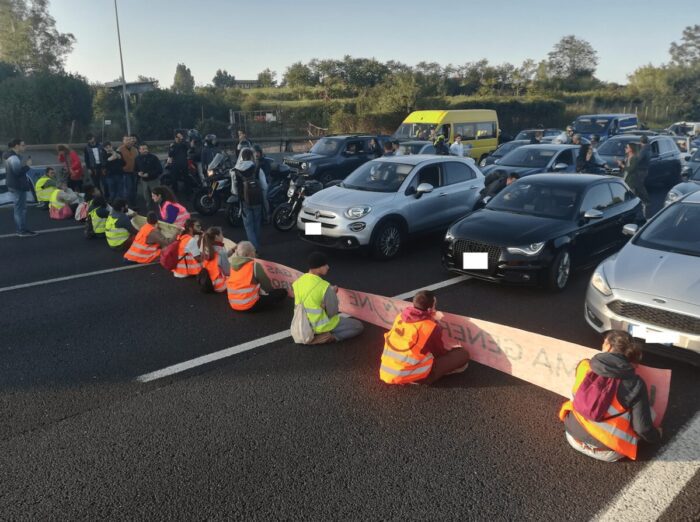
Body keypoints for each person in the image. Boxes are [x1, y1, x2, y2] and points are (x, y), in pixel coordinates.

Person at [559, 330, 662, 462]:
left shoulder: (584, 366)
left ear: (607, 346)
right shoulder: (635, 383)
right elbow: (642, 428)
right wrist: (657, 435)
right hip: (608, 452)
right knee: (649, 413)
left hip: (573, 437)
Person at [380, 290, 470, 385]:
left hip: (387, 368)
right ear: (429, 310)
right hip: (412, 374)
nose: (435, 307)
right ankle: (418, 377)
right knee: (462, 354)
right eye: (434, 305)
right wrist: (436, 324)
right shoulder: (430, 327)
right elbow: (439, 353)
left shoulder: (400, 317)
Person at [291, 251, 364, 345]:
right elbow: (332, 312)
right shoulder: (324, 287)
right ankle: (330, 337)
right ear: (317, 268)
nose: (328, 267)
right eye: (324, 265)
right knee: (358, 326)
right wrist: (331, 294)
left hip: (303, 323)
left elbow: (311, 298)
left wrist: (328, 295)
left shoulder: (298, 282)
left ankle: (317, 334)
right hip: (321, 326)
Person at [228, 241, 287, 312]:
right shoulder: (254, 265)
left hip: (233, 303)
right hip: (249, 305)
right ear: (249, 253)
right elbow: (267, 286)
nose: (255, 252)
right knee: (282, 292)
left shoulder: (232, 265)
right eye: (254, 250)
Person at [3, 138, 37, 237]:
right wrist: (27, 166)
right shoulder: (13, 158)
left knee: (20, 208)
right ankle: (21, 231)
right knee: (20, 209)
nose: (25, 146)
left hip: (14, 184)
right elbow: (17, 172)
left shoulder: (11, 156)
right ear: (16, 146)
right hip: (18, 185)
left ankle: (22, 229)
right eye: (23, 145)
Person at [235, 149, 266, 251]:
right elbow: (264, 186)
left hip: (244, 201)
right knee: (257, 223)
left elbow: (235, 189)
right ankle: (256, 245)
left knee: (248, 226)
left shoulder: (236, 170)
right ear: (251, 156)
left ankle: (255, 249)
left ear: (242, 157)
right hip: (257, 200)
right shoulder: (257, 168)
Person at [617, 142, 649, 216]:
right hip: (626, 181)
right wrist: (620, 165)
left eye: (627, 147)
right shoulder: (627, 157)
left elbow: (631, 169)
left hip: (632, 182)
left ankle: (640, 214)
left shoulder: (634, 158)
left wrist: (622, 165)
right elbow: (624, 170)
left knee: (632, 200)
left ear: (631, 149)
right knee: (627, 199)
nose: (625, 149)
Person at [198, 226, 231, 293]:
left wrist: (232, 251)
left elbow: (217, 260)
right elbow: (227, 272)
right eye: (221, 235)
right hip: (218, 285)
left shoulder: (207, 248)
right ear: (216, 237)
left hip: (207, 281)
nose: (223, 237)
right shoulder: (221, 252)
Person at [135, 143, 163, 209]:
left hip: (154, 180)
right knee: (146, 196)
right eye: (143, 149)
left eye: (146, 149)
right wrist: (138, 173)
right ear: (139, 150)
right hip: (144, 181)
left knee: (157, 196)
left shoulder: (153, 158)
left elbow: (160, 170)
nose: (145, 150)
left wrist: (149, 174)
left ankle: (162, 208)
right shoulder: (137, 158)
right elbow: (135, 169)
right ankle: (150, 211)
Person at [118, 135, 138, 206]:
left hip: (134, 172)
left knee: (134, 189)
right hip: (125, 173)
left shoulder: (135, 149)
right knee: (127, 190)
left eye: (129, 140)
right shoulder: (120, 150)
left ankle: (134, 203)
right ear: (123, 141)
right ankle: (127, 205)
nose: (128, 142)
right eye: (126, 140)